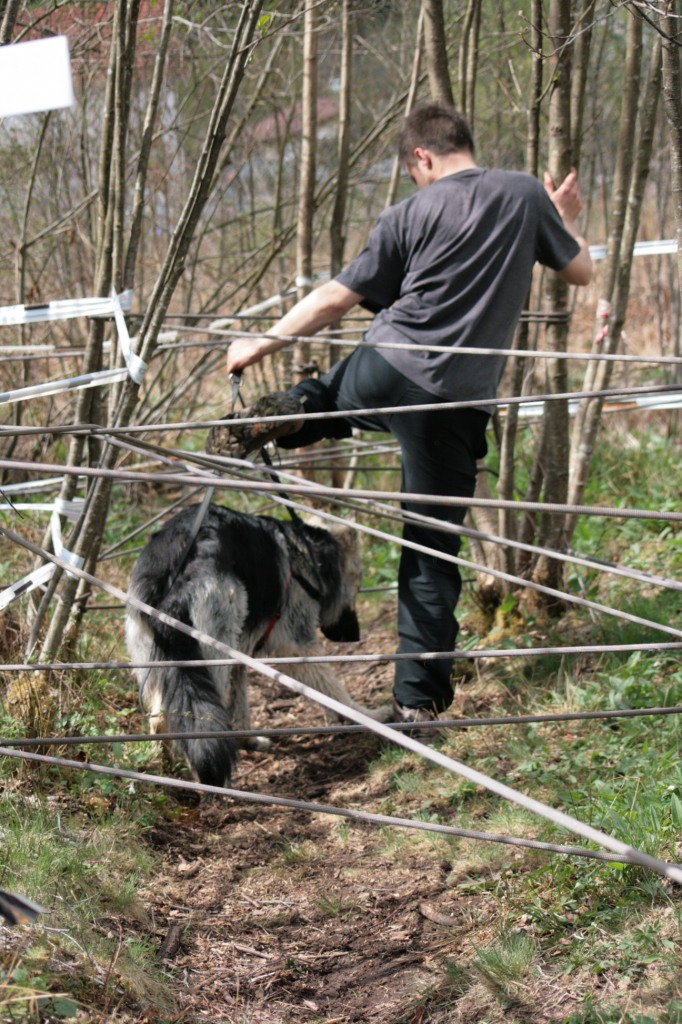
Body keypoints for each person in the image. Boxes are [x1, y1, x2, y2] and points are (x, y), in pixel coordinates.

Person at [209, 102, 592, 731]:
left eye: (412, 171)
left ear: (422, 157)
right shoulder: (524, 194)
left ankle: (286, 417)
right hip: (452, 401)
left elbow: (338, 297)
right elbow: (581, 272)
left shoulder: (407, 212)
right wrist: (565, 220)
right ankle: (417, 703)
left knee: (331, 398)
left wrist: (261, 342)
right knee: (430, 549)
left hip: (386, 363)